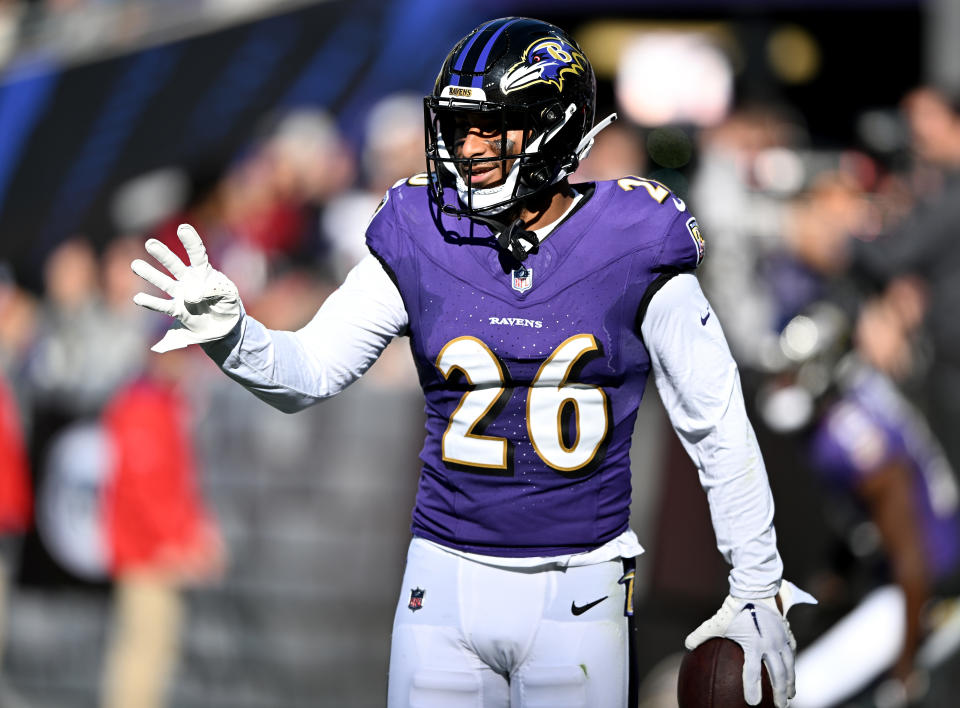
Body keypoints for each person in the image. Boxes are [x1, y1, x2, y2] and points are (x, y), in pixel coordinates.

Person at [130, 17, 812, 708]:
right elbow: (309, 371)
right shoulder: (422, 229)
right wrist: (234, 337)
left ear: (555, 126)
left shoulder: (635, 239)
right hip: (443, 581)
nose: (470, 147)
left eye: (492, 127)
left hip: (580, 588)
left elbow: (717, 424)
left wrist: (756, 581)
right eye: (460, 126)